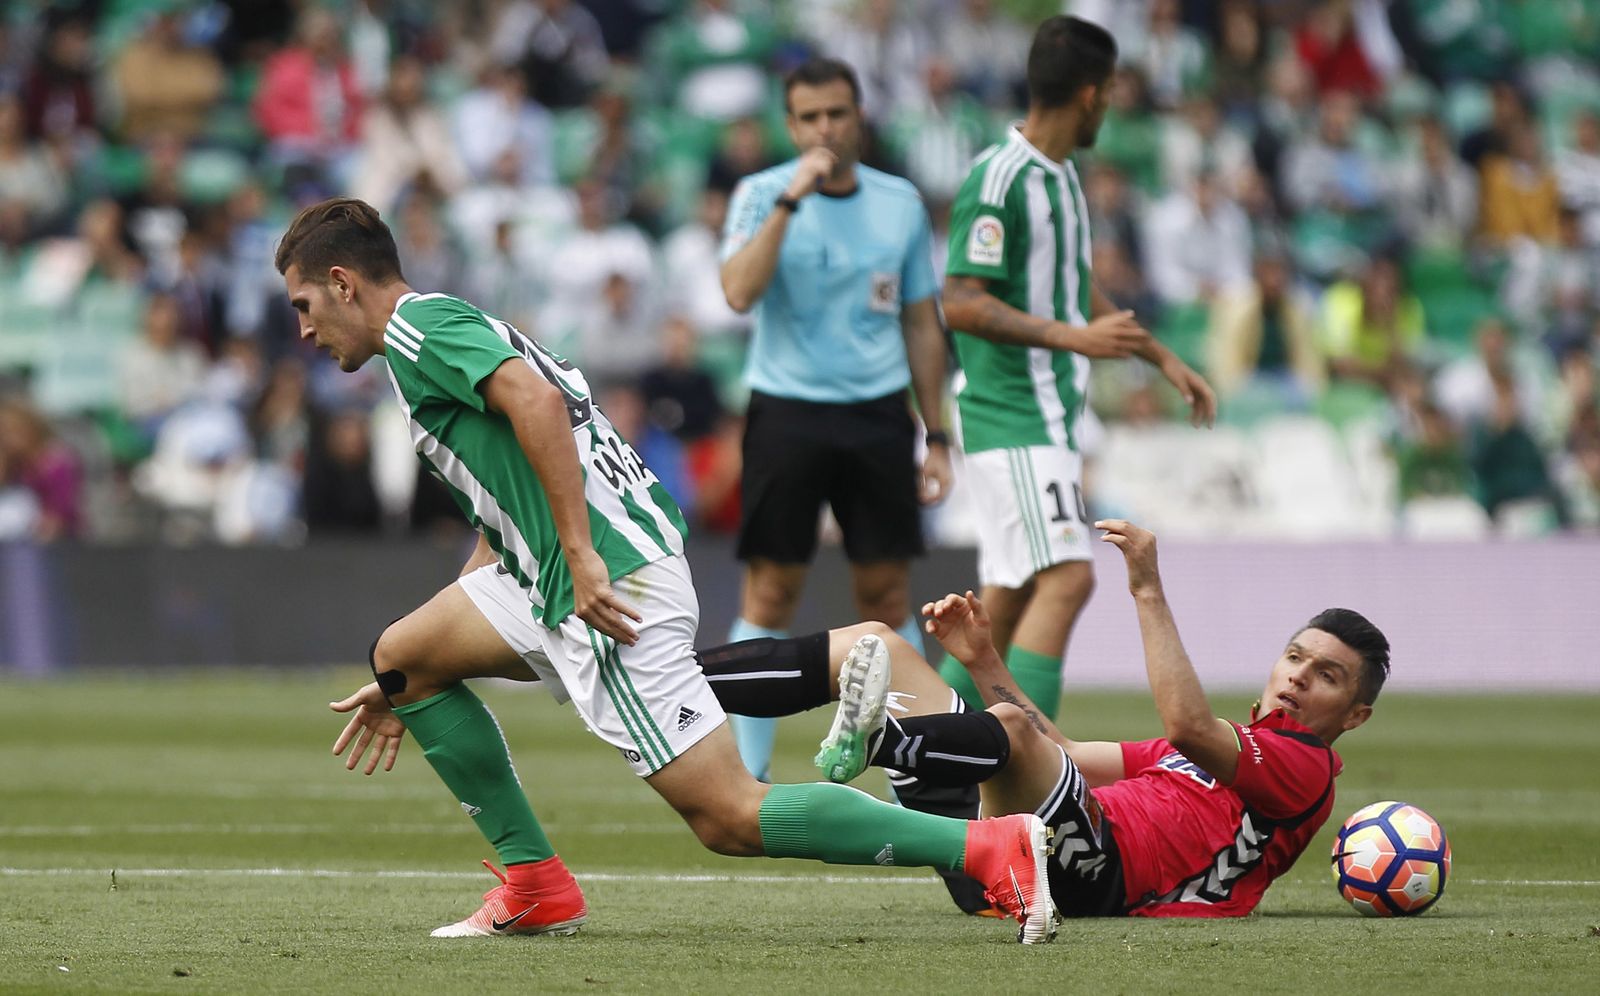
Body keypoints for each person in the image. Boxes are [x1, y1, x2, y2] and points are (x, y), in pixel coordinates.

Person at [277, 197, 1056, 943]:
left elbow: (540, 406)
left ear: (343, 283)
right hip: (562, 569)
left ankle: (990, 849)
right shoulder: (441, 328)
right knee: (405, 657)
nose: (305, 330)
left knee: (728, 816)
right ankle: (535, 884)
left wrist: (579, 556)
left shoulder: (417, 329)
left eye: (305, 304)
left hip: (607, 580)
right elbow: (509, 495)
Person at [333, 518, 1387, 919]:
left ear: (1356, 713)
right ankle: (639, 681)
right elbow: (1067, 751)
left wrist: (1146, 586)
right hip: (1041, 831)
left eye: (1326, 677)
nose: (1298, 680)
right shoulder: (1211, 756)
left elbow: (1186, 719)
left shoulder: (1298, 773)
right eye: (1297, 658)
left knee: (1007, 740)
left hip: (1098, 875)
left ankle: (880, 741)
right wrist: (977, 661)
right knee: (875, 643)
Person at [938, 16, 1213, 734]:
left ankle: (908, 735)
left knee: (1004, 599)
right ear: (1091, 93)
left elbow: (1067, 283)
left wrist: (1161, 357)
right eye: (1112, 91)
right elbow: (961, 301)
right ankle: (1026, 771)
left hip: (1045, 414)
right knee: (1069, 577)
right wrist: (1073, 339)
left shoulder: (1057, 175)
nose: (1113, 105)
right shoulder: (1000, 177)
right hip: (1012, 409)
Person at [717, 57, 954, 782]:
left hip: (878, 417)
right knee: (772, 593)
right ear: (792, 127)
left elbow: (920, 320)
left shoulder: (899, 203)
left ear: (859, 118)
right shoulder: (762, 194)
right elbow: (737, 292)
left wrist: (936, 432)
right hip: (786, 413)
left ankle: (920, 761)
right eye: (811, 116)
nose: (826, 127)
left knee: (884, 595)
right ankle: (743, 776)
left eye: (838, 114)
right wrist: (791, 200)